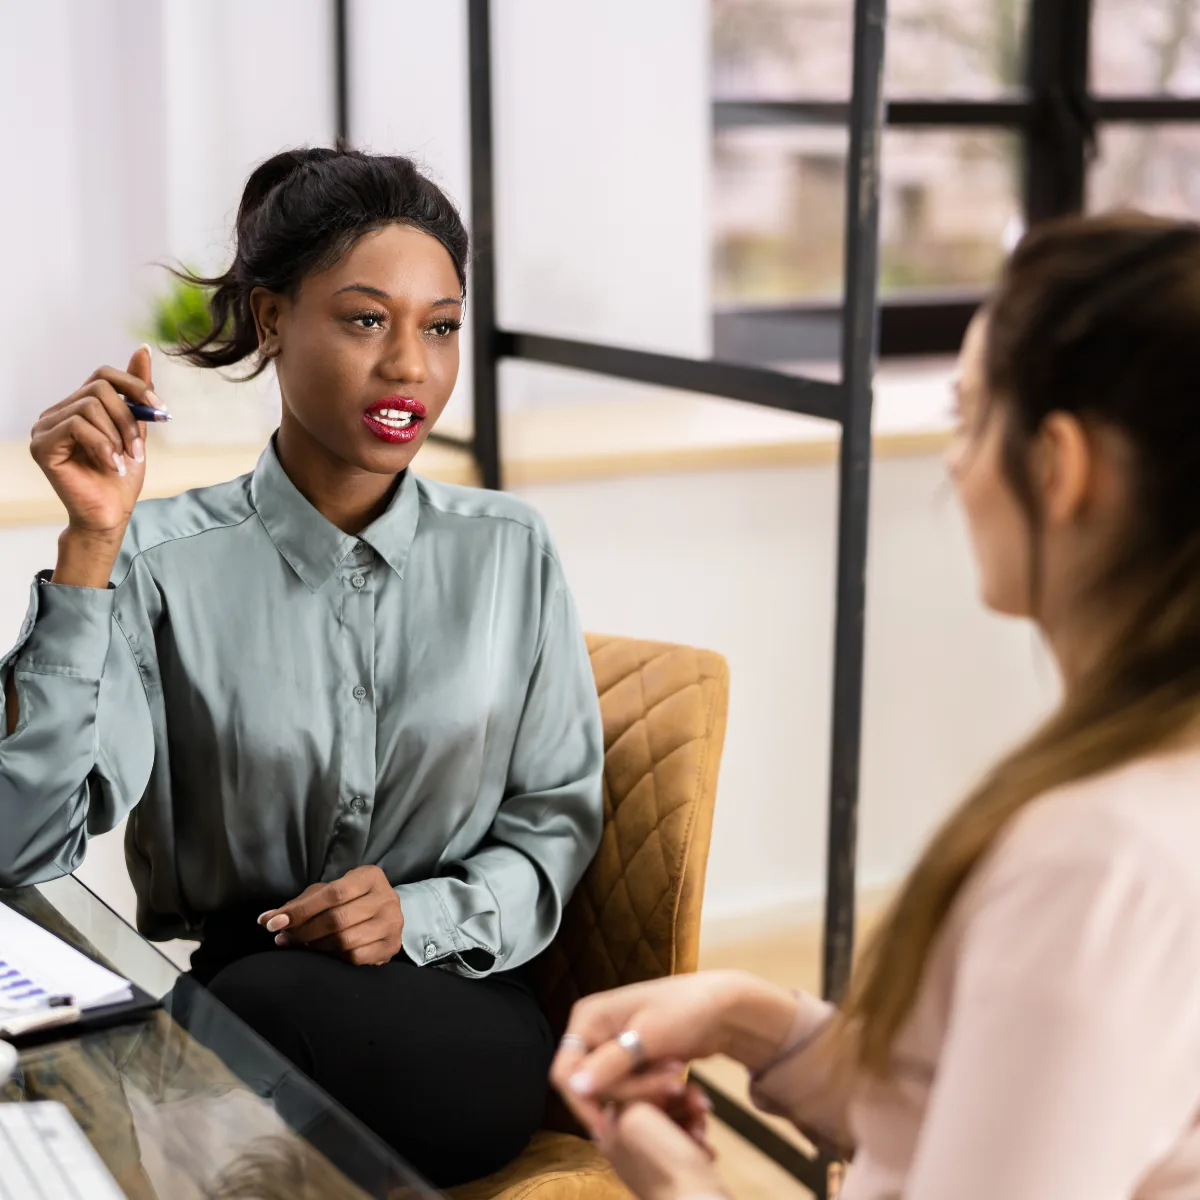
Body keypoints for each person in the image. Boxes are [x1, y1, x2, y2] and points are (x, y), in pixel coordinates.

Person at [551, 212, 1200, 1200]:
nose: (952, 462)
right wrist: (748, 1017)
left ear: (1058, 467)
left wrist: (686, 1188)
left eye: (968, 415)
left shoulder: (1091, 863)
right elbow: (1011, 1107)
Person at [0, 146, 605, 1187]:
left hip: (452, 1012)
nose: (411, 366)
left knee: (195, 1061)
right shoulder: (158, 560)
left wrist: (416, 914)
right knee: (196, 1044)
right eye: (367, 319)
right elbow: (20, 849)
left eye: (441, 325)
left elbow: (555, 822)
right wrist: (91, 550)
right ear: (273, 320)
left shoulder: (510, 548)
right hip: (243, 1000)